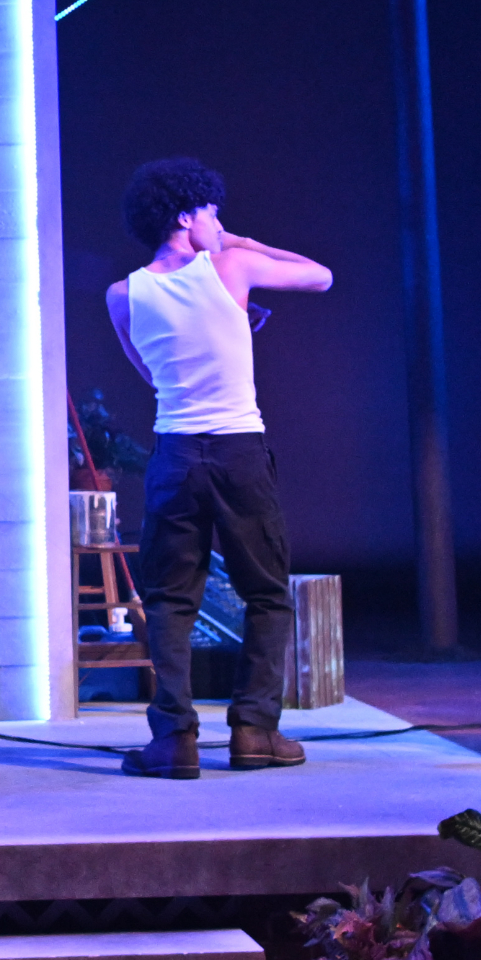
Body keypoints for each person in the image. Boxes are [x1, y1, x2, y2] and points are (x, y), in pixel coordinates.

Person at [103, 157, 334, 779]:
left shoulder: (123, 294)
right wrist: (239, 242)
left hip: (175, 453)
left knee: (170, 599)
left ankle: (174, 740)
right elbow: (321, 277)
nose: (219, 222)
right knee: (265, 593)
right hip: (238, 451)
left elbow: (150, 373)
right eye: (211, 211)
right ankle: (255, 732)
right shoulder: (232, 264)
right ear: (187, 216)